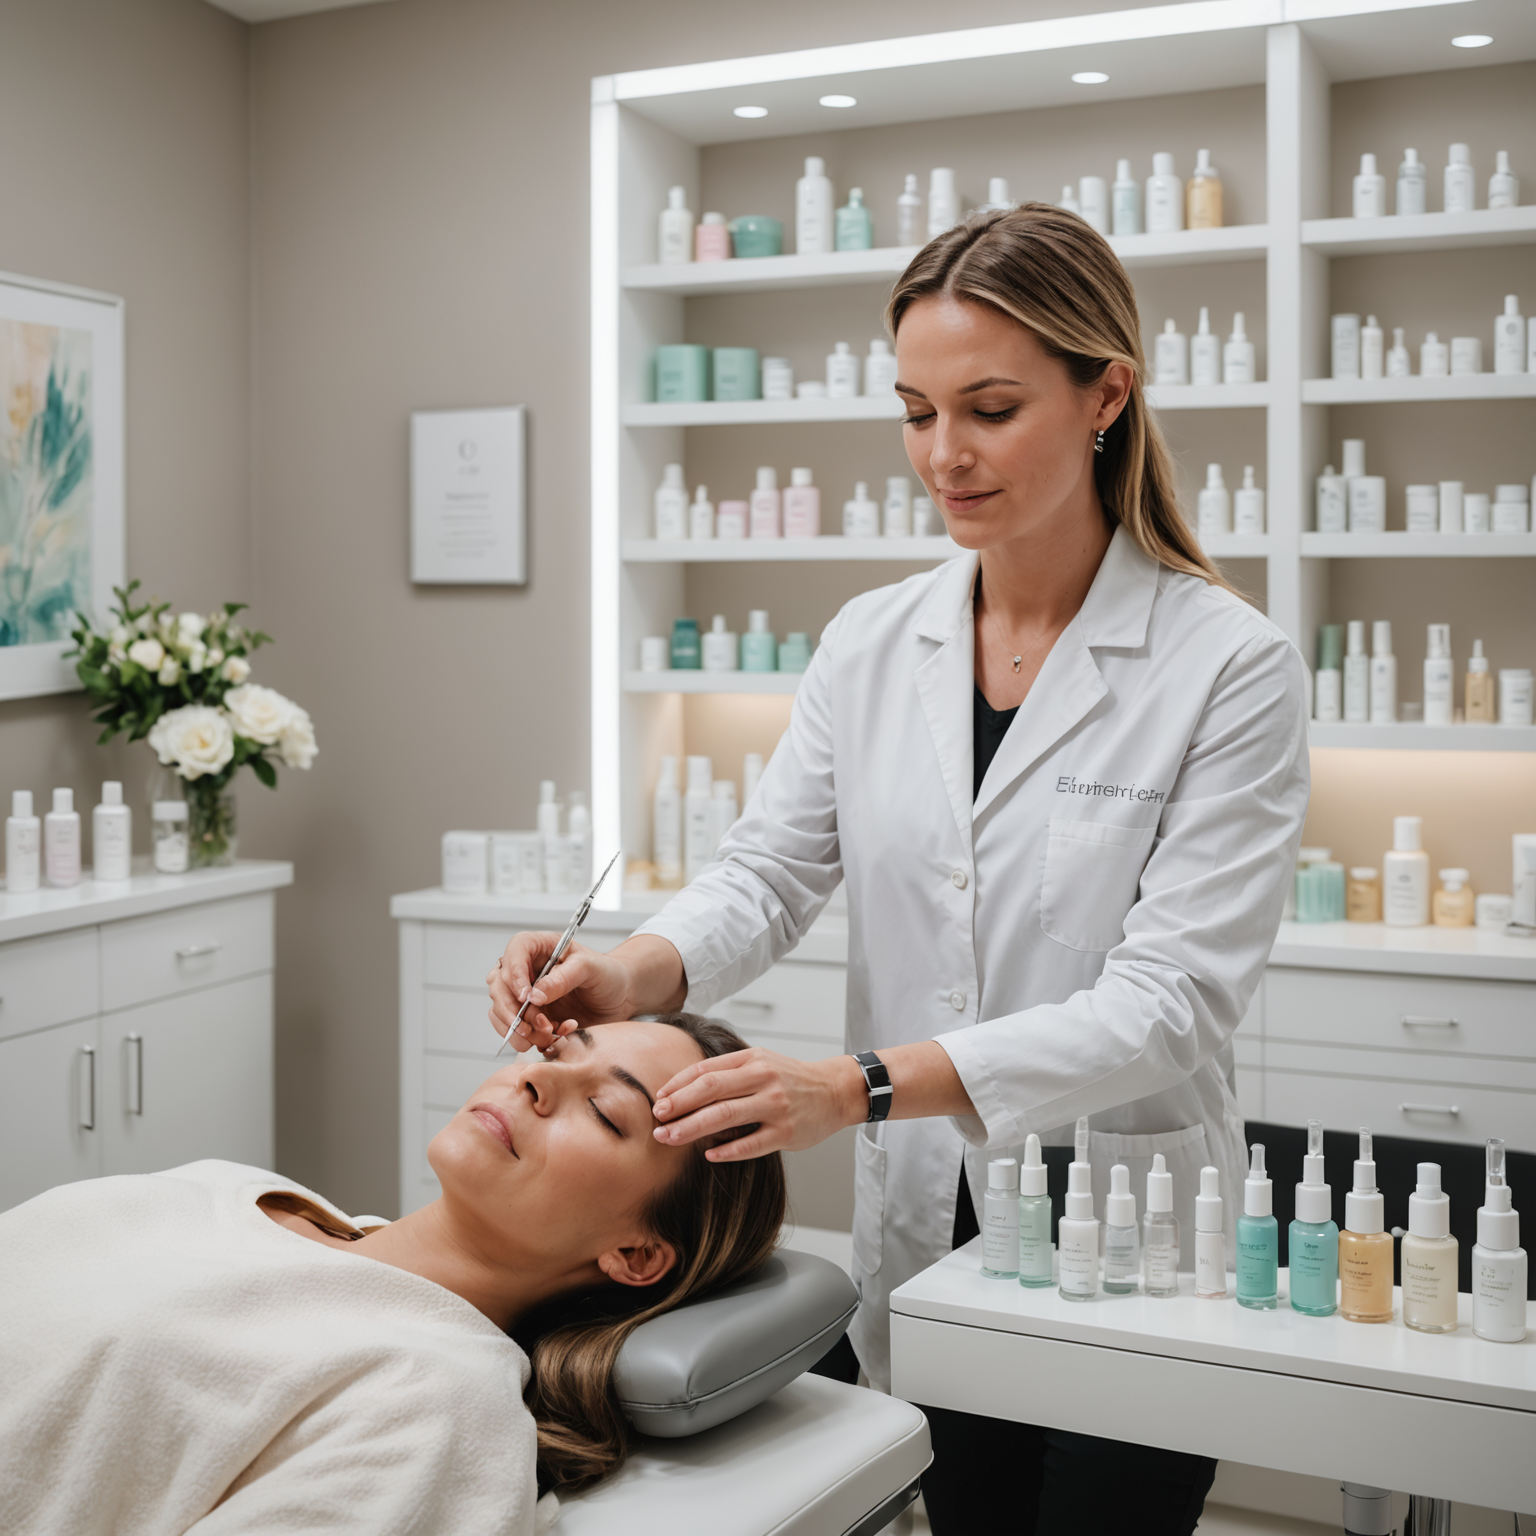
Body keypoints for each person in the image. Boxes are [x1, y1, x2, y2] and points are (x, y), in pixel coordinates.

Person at [489, 203, 1308, 1535]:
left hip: (1129, 1219)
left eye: (988, 408)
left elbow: (1172, 1003)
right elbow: (768, 872)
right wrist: (623, 970)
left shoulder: (1228, 665)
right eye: (916, 412)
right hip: (930, 1223)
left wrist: (859, 1086)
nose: (945, 455)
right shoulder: (875, 641)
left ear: (1108, 394)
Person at [0, 1013, 784, 1535]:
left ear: (637, 1255)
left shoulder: (434, 1406)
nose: (535, 1080)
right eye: (554, 1052)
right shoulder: (227, 1183)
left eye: (607, 1113)